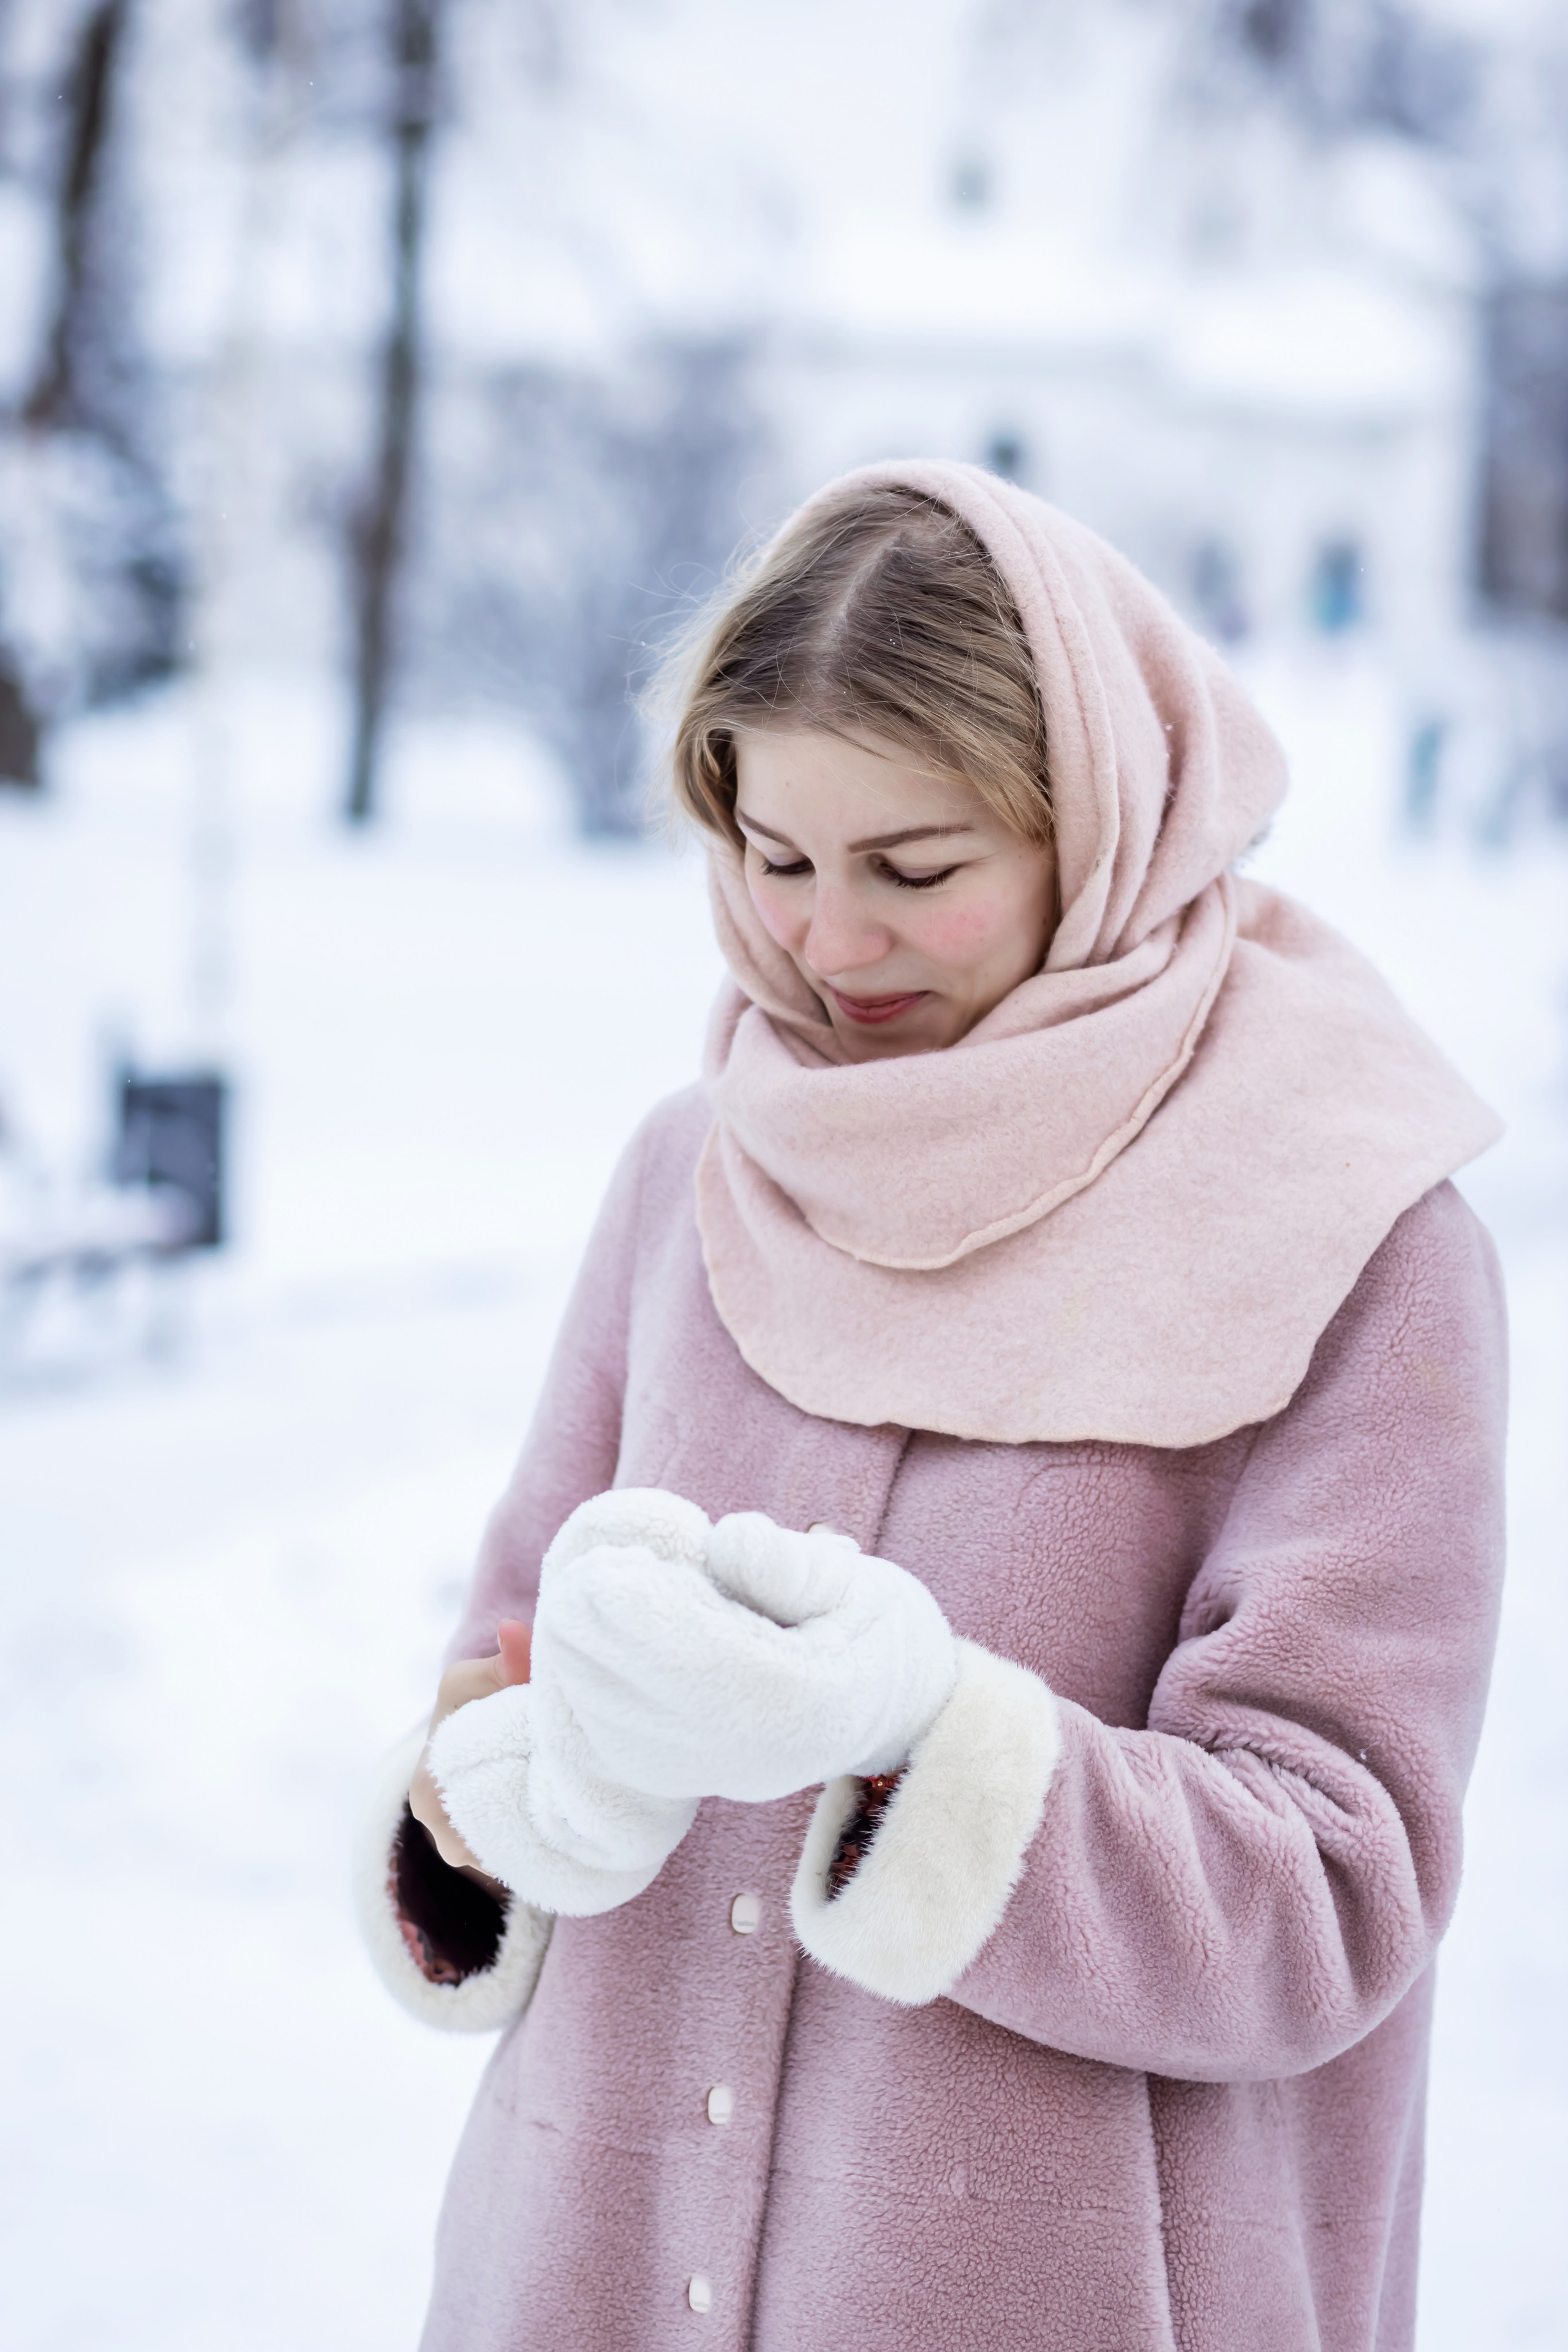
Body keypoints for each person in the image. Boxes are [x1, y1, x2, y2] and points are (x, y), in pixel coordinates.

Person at [354, 462, 1506, 2352]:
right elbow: (491, 1684)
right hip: (590, 2286)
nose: (826, 946)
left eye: (916, 868)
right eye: (773, 856)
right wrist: (512, 1789)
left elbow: (1335, 1893)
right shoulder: (695, 1173)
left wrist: (921, 1738)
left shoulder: (1353, 1234)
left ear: (1102, 829)